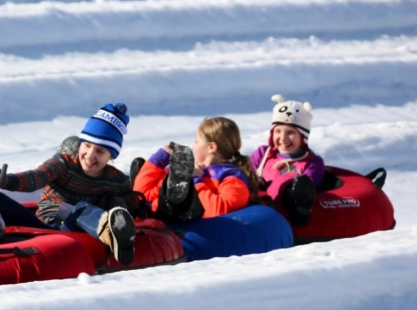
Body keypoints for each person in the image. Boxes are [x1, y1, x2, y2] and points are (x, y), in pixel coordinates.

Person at [0, 102, 137, 265]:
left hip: (75, 231)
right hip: (43, 224)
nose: (90, 155)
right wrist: (7, 181)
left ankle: (113, 235)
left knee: (82, 208)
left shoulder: (117, 180)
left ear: (111, 156)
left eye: (100, 151)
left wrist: (121, 205)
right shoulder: (63, 163)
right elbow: (37, 177)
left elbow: (133, 206)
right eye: (87, 145)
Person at [134, 117, 257, 221]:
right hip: (155, 216)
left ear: (211, 147)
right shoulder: (193, 168)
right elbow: (142, 194)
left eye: (196, 141)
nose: (193, 146)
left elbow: (218, 209)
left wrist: (195, 180)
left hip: (179, 225)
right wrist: (160, 158)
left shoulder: (232, 177)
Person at [251, 94, 325, 227]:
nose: (283, 139)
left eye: (290, 133)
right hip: (257, 202)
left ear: (302, 138)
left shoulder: (313, 163)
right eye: (278, 131)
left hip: (285, 203)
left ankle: (296, 207)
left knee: (290, 178)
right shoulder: (263, 154)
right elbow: (247, 175)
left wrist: (288, 181)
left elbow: (308, 187)